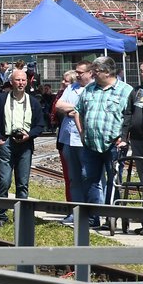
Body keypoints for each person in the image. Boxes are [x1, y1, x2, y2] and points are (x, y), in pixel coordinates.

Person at [75, 55, 134, 228]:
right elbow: (78, 110)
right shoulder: (89, 89)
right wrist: (82, 133)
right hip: (90, 144)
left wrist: (124, 139)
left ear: (107, 72)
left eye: (96, 71)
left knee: (114, 180)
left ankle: (111, 217)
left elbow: (130, 119)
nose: (92, 74)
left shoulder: (126, 91)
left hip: (114, 145)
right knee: (89, 178)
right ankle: (93, 217)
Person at [0, 68, 45, 228]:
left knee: (23, 183)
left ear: (27, 82)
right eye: (18, 80)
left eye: (23, 80)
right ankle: (0, 216)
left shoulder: (33, 102)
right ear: (11, 82)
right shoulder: (1, 99)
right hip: (7, 143)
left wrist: (29, 135)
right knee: (4, 181)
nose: (21, 83)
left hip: (25, 145)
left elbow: (40, 125)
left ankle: (21, 216)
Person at [54, 62, 92, 217]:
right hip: (69, 139)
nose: (77, 75)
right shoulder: (71, 88)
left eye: (80, 72)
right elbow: (58, 105)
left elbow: (89, 109)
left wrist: (74, 110)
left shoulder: (93, 89)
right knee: (73, 177)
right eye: (76, 72)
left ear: (90, 73)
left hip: (85, 139)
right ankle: (75, 212)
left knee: (87, 176)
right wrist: (76, 109)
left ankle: (91, 212)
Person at [121, 60, 143, 234]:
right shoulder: (137, 91)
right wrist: (124, 137)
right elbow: (129, 113)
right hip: (138, 141)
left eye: (141, 70)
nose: (139, 73)